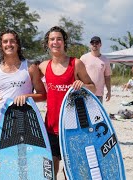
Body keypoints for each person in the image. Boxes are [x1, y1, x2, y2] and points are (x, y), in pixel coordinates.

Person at [38, 26, 96, 178]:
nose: (55, 42)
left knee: (70, 170)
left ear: (64, 42)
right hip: (51, 126)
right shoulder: (44, 66)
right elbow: (33, 85)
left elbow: (93, 88)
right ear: (47, 43)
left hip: (73, 127)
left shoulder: (75, 63)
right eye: (52, 39)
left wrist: (83, 85)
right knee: (51, 168)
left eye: (59, 39)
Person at [0, 29, 47, 135]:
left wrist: (27, 97)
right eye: (5, 41)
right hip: (2, 120)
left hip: (26, 119)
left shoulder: (30, 68)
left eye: (12, 41)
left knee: (26, 152)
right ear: (1, 46)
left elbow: (43, 95)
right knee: (3, 153)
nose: (9, 44)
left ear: (17, 44)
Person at [80, 36, 112, 103]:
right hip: (85, 92)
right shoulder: (84, 58)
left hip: (98, 94)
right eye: (92, 43)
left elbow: (107, 77)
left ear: (100, 44)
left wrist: (109, 91)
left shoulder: (105, 60)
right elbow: (78, 74)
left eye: (96, 42)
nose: (94, 44)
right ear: (90, 45)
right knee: (84, 113)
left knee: (97, 113)